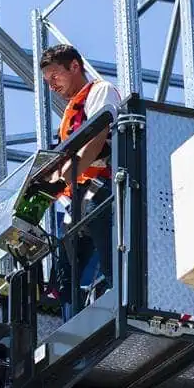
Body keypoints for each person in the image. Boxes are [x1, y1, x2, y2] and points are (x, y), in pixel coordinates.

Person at [36, 44, 121, 304]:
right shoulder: (72, 110)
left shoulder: (100, 91)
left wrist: (60, 181)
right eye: (48, 81)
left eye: (55, 77)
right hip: (81, 194)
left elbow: (96, 138)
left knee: (98, 225)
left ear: (74, 66)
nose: (52, 86)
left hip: (104, 183)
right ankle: (62, 308)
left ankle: (118, 289)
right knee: (64, 265)